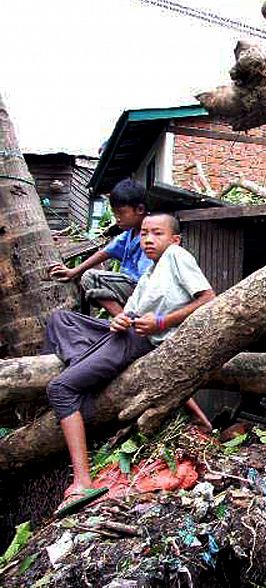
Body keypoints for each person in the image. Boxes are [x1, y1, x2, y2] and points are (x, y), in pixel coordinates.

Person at [44, 212, 215, 516]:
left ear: (174, 239)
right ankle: (87, 366)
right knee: (61, 320)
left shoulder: (177, 256)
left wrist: (162, 321)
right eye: (144, 233)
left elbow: (207, 298)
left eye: (157, 233)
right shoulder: (149, 273)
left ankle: (82, 480)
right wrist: (121, 318)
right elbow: (130, 313)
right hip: (129, 333)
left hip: (143, 341)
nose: (148, 239)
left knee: (60, 388)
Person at [49, 178, 152, 315]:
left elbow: (147, 279)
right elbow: (105, 252)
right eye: (115, 214)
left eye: (121, 213)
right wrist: (73, 271)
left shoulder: (150, 235)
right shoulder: (129, 234)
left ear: (140, 209)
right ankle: (124, 318)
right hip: (131, 287)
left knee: (91, 278)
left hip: (144, 289)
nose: (117, 218)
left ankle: (125, 321)